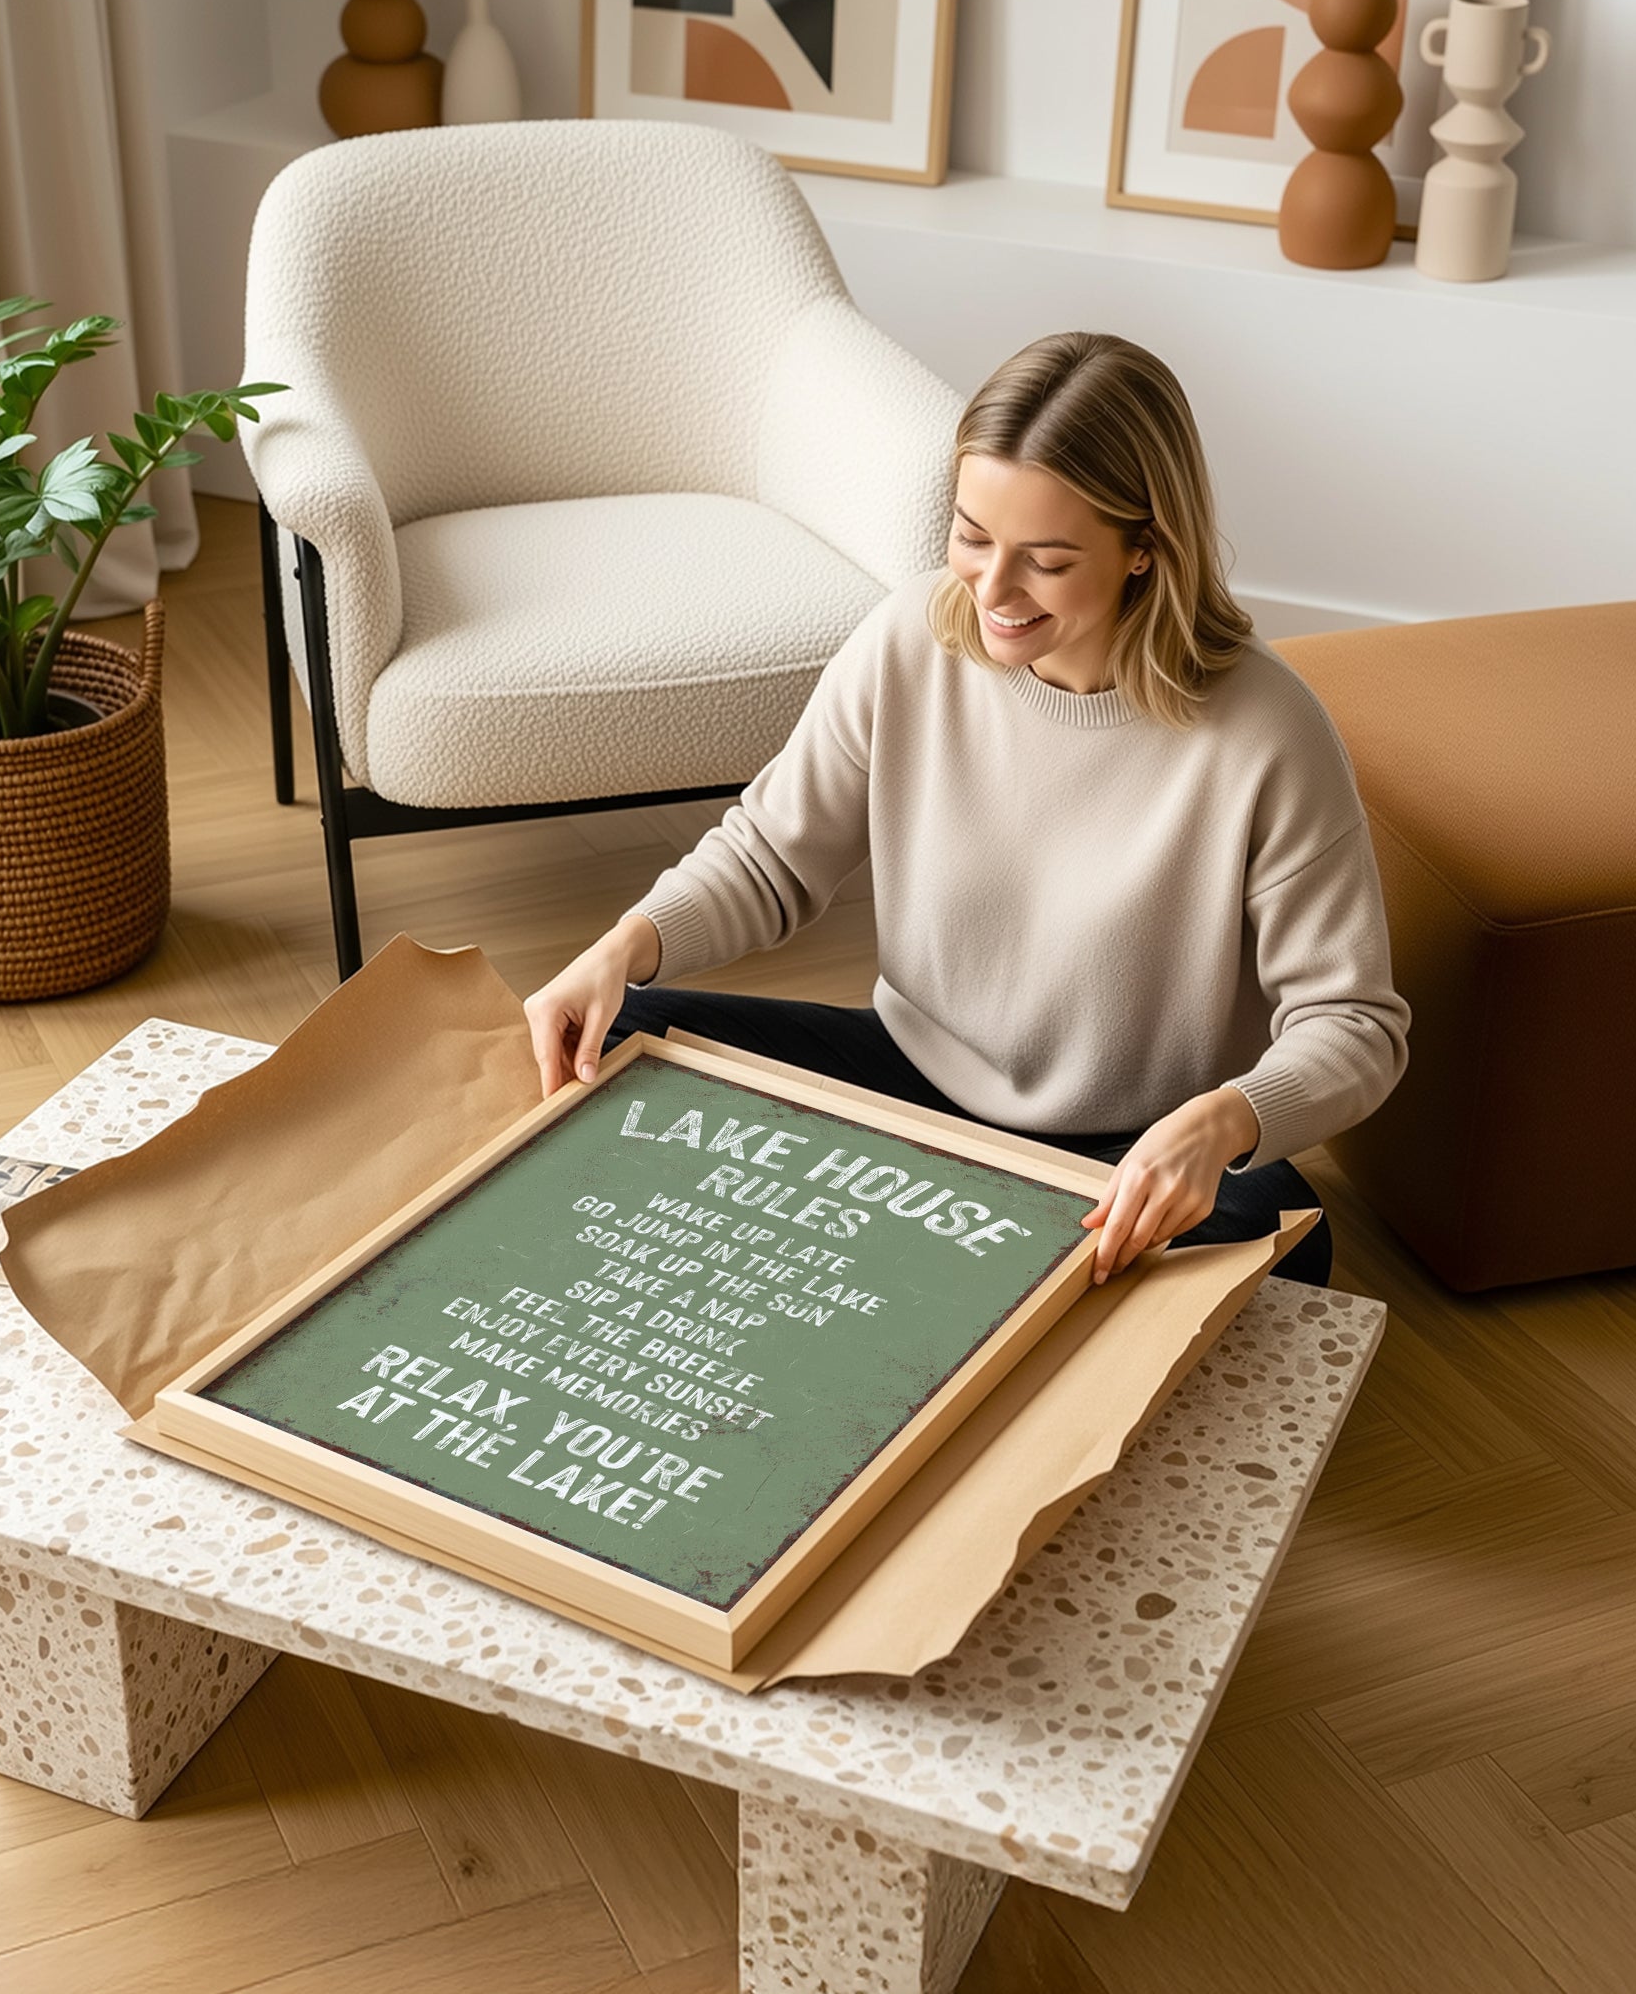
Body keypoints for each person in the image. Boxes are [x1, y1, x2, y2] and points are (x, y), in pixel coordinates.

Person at [523, 332, 1408, 1289]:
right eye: (973, 536)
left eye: (1048, 560)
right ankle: (967, 1273)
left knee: (1278, 1236)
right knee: (610, 1039)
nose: (991, 590)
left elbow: (1354, 1022)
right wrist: (624, 944)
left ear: (1146, 549)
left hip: (1123, 1154)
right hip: (908, 1086)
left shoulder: (1268, 732)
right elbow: (771, 857)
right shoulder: (909, 638)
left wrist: (1224, 1119)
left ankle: (888, 1263)